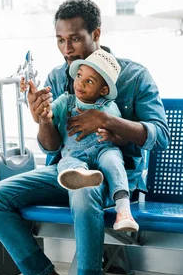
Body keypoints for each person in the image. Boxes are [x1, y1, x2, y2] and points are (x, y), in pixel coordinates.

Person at [0, 0, 170, 275]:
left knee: (84, 190)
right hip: (64, 169)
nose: (67, 49)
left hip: (112, 176)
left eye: (75, 38)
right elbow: (51, 144)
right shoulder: (58, 78)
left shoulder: (134, 76)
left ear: (96, 34)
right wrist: (42, 120)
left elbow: (159, 137)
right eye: (60, 40)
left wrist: (108, 120)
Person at [27, 48, 139, 233]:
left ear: (103, 89)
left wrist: (113, 137)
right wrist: (43, 110)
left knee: (113, 161)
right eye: (79, 76)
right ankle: (79, 175)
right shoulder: (65, 101)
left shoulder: (108, 107)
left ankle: (124, 211)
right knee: (67, 162)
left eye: (89, 81)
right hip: (75, 154)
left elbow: (123, 139)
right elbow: (49, 113)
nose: (80, 83)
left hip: (104, 150)